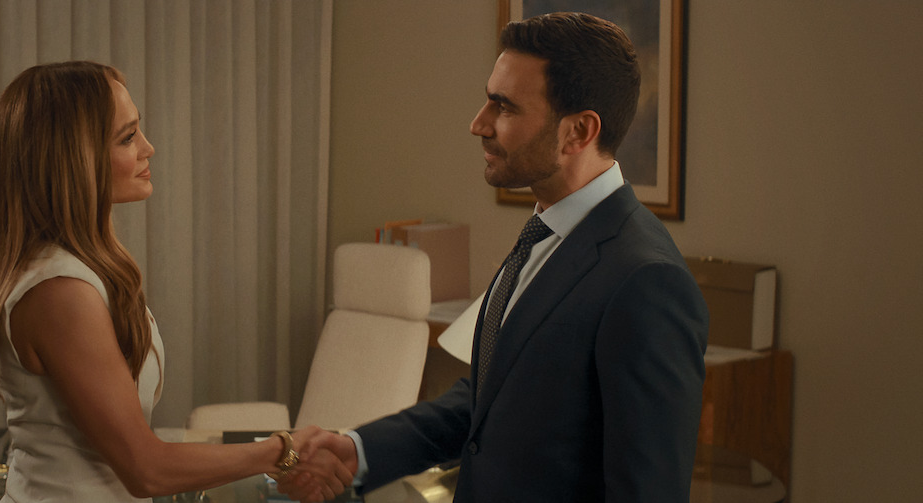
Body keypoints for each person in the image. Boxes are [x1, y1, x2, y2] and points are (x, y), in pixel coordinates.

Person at [281, 12, 709, 502]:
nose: (477, 123)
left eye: (503, 107)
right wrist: (359, 450)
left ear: (579, 131)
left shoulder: (646, 281)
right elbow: (491, 401)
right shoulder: (544, 233)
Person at [0, 61, 350, 502]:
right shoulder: (60, 292)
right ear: (75, 159)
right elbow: (146, 469)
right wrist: (282, 451)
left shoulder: (77, 271)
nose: (149, 148)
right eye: (128, 137)